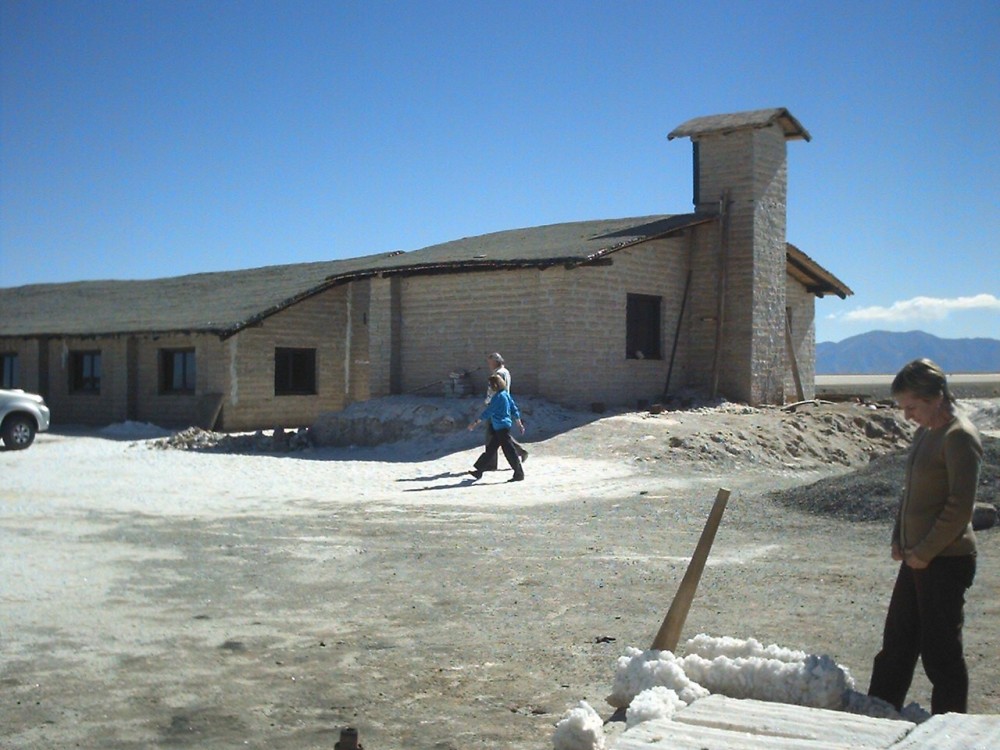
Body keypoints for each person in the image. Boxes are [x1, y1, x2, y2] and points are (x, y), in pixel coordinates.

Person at [867, 358, 982, 715]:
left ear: (934, 397)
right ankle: (877, 715)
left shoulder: (959, 436)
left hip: (945, 560)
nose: (907, 416)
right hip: (917, 557)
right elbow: (911, 492)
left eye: (911, 407)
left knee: (940, 652)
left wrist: (926, 552)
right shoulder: (926, 432)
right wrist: (898, 539)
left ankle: (952, 728)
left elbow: (960, 507)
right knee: (897, 644)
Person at [467, 373, 525, 482]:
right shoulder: (505, 395)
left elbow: (488, 412)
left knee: (509, 451)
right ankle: (479, 470)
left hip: (500, 427)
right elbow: (514, 409)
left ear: (495, 385)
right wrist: (519, 424)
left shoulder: (497, 397)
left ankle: (519, 474)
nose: (489, 387)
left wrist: (475, 423)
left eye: (490, 385)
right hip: (502, 426)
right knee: (491, 449)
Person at [481, 352, 528, 470]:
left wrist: (487, 402)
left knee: (492, 435)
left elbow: (492, 390)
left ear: (495, 362)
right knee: (500, 433)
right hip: (504, 404)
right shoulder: (506, 371)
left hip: (496, 405)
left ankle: (491, 464)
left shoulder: (497, 374)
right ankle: (520, 451)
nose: (489, 365)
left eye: (490, 362)